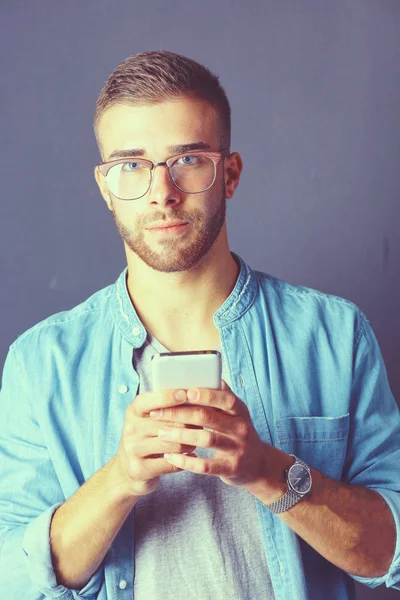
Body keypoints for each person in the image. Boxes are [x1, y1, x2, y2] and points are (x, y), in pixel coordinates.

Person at [0, 49, 399, 600]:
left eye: (188, 160)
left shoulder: (334, 335)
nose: (162, 192)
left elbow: (388, 552)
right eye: (131, 165)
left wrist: (267, 470)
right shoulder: (40, 363)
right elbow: (10, 578)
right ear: (105, 186)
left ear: (229, 174)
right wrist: (120, 480)